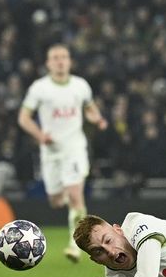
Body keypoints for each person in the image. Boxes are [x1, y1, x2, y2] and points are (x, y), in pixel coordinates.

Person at [18, 43, 107, 262]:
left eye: (64, 57)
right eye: (55, 57)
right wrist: (40, 136)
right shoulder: (40, 88)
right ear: (48, 63)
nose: (60, 61)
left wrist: (97, 118)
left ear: (69, 61)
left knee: (75, 194)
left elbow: (90, 108)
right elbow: (24, 118)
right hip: (51, 152)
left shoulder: (80, 86)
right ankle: (71, 201)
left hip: (74, 148)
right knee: (57, 200)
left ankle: (76, 245)